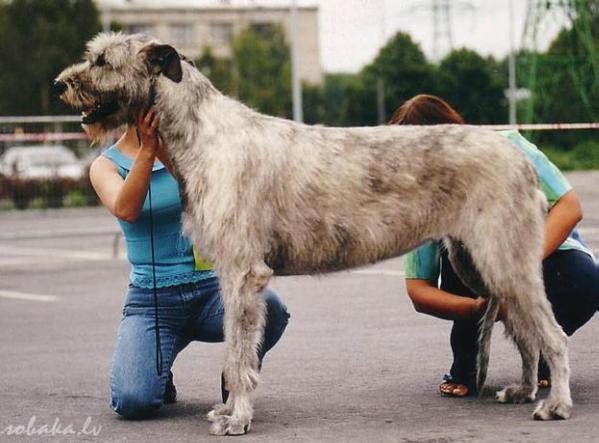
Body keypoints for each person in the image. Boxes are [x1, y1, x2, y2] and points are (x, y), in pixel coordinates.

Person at [391, 94, 599, 397]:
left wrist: (519, 271)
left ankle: (544, 348)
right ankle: (467, 360)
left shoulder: (509, 148)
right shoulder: (420, 198)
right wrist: (478, 308)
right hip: (477, 278)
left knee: (587, 281)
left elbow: (569, 207)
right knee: (458, 249)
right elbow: (419, 291)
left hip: (539, 254)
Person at [88, 108, 290, 417]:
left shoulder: (196, 154)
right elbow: (127, 209)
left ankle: (236, 370)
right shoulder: (106, 165)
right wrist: (148, 149)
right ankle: (159, 368)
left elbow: (208, 195)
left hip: (211, 290)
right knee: (134, 402)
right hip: (154, 301)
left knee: (271, 308)